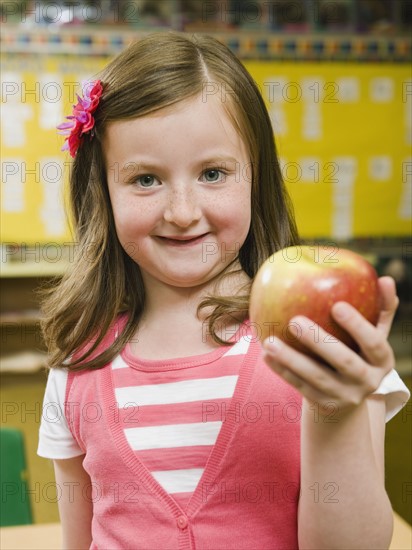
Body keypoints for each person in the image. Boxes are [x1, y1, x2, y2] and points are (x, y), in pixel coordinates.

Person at [38, 32, 410, 550]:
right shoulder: (79, 359)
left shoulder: (324, 339)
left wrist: (335, 412)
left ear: (255, 180)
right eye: (145, 179)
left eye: (213, 173)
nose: (183, 211)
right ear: (101, 191)